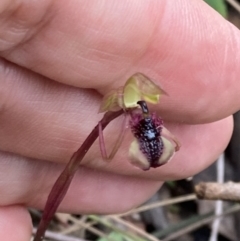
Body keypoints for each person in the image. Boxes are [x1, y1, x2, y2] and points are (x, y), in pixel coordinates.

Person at [0, 1, 238, 240]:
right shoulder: (122, 109)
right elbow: (110, 138)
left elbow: (158, 137)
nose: (141, 105)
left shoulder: (141, 115)